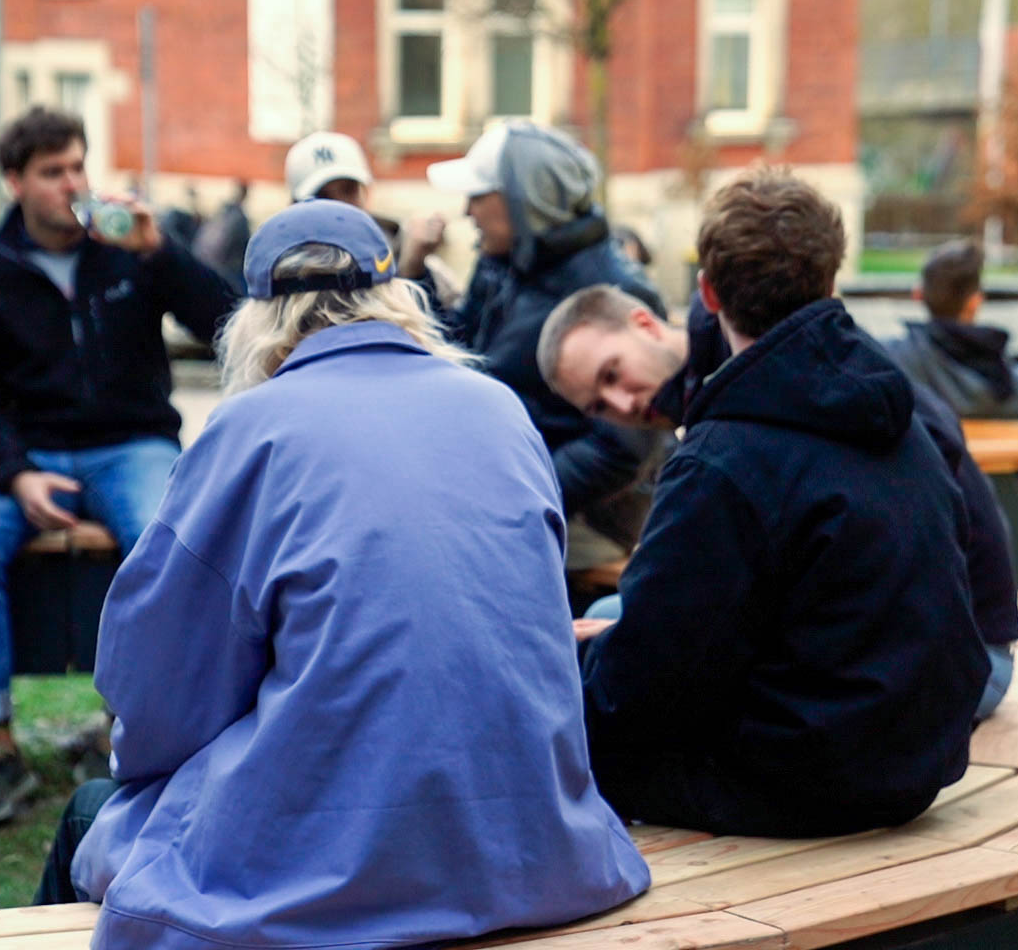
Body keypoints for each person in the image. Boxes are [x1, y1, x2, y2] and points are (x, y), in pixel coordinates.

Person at [35, 200, 650, 947]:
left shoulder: (249, 432)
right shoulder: (500, 411)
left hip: (334, 861)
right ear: (397, 297)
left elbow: (159, 696)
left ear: (258, 321)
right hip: (535, 846)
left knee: (90, 814)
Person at [572, 166, 988, 837]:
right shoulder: (902, 417)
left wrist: (577, 667)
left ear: (706, 292)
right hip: (921, 757)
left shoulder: (722, 459)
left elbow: (645, 692)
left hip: (813, 777)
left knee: (562, 735)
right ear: (830, 279)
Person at [0, 107, 238, 828]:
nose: (72, 183)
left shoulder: (130, 252)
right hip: (29, 453)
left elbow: (229, 325)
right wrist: (14, 473)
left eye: (77, 166)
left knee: (171, 537)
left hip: (130, 441)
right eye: (52, 172)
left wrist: (163, 252)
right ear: (15, 182)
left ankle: (141, 732)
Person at [538, 284, 1018, 721]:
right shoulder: (726, 388)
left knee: (639, 672)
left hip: (959, 651)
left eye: (612, 373)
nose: (621, 405)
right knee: (611, 622)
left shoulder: (763, 383)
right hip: (895, 637)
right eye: (599, 407)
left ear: (645, 323)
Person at [412, 122, 668, 579]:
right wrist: (414, 273)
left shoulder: (612, 290)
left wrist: (509, 501)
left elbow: (621, 448)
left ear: (522, 199)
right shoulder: (506, 262)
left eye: (478, 194)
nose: (466, 210)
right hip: (499, 504)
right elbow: (459, 351)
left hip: (578, 525)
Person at [884, 239, 1018, 544]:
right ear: (975, 301)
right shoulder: (1016, 383)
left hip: (926, 524)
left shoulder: (895, 362)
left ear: (919, 295)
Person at [282, 130, 462, 305]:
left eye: (348, 190)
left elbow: (449, 331)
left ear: (365, 193)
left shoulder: (402, 252)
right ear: (295, 206)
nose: (340, 206)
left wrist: (414, 271)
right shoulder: (279, 275)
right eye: (322, 197)